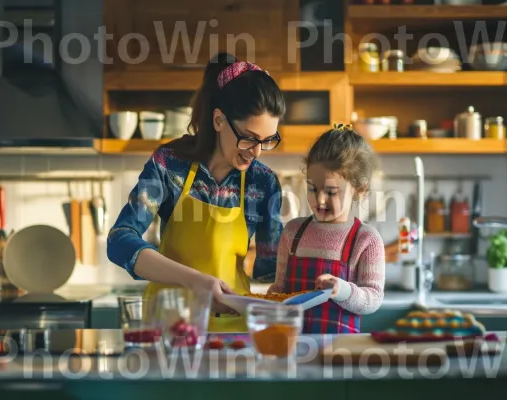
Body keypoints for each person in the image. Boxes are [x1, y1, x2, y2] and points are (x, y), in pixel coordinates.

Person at [107, 52, 286, 332]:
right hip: (168, 327)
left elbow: (270, 270)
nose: (257, 151)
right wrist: (194, 280)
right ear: (218, 120)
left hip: (233, 333)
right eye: (249, 138)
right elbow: (119, 241)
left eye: (267, 140)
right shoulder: (169, 165)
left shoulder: (262, 183)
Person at [268, 123, 385, 333]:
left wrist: (342, 290)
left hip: (340, 354)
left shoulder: (366, 239)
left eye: (331, 192)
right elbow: (279, 291)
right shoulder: (293, 232)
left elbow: (374, 298)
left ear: (360, 189)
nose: (319, 200)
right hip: (292, 347)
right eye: (312, 188)